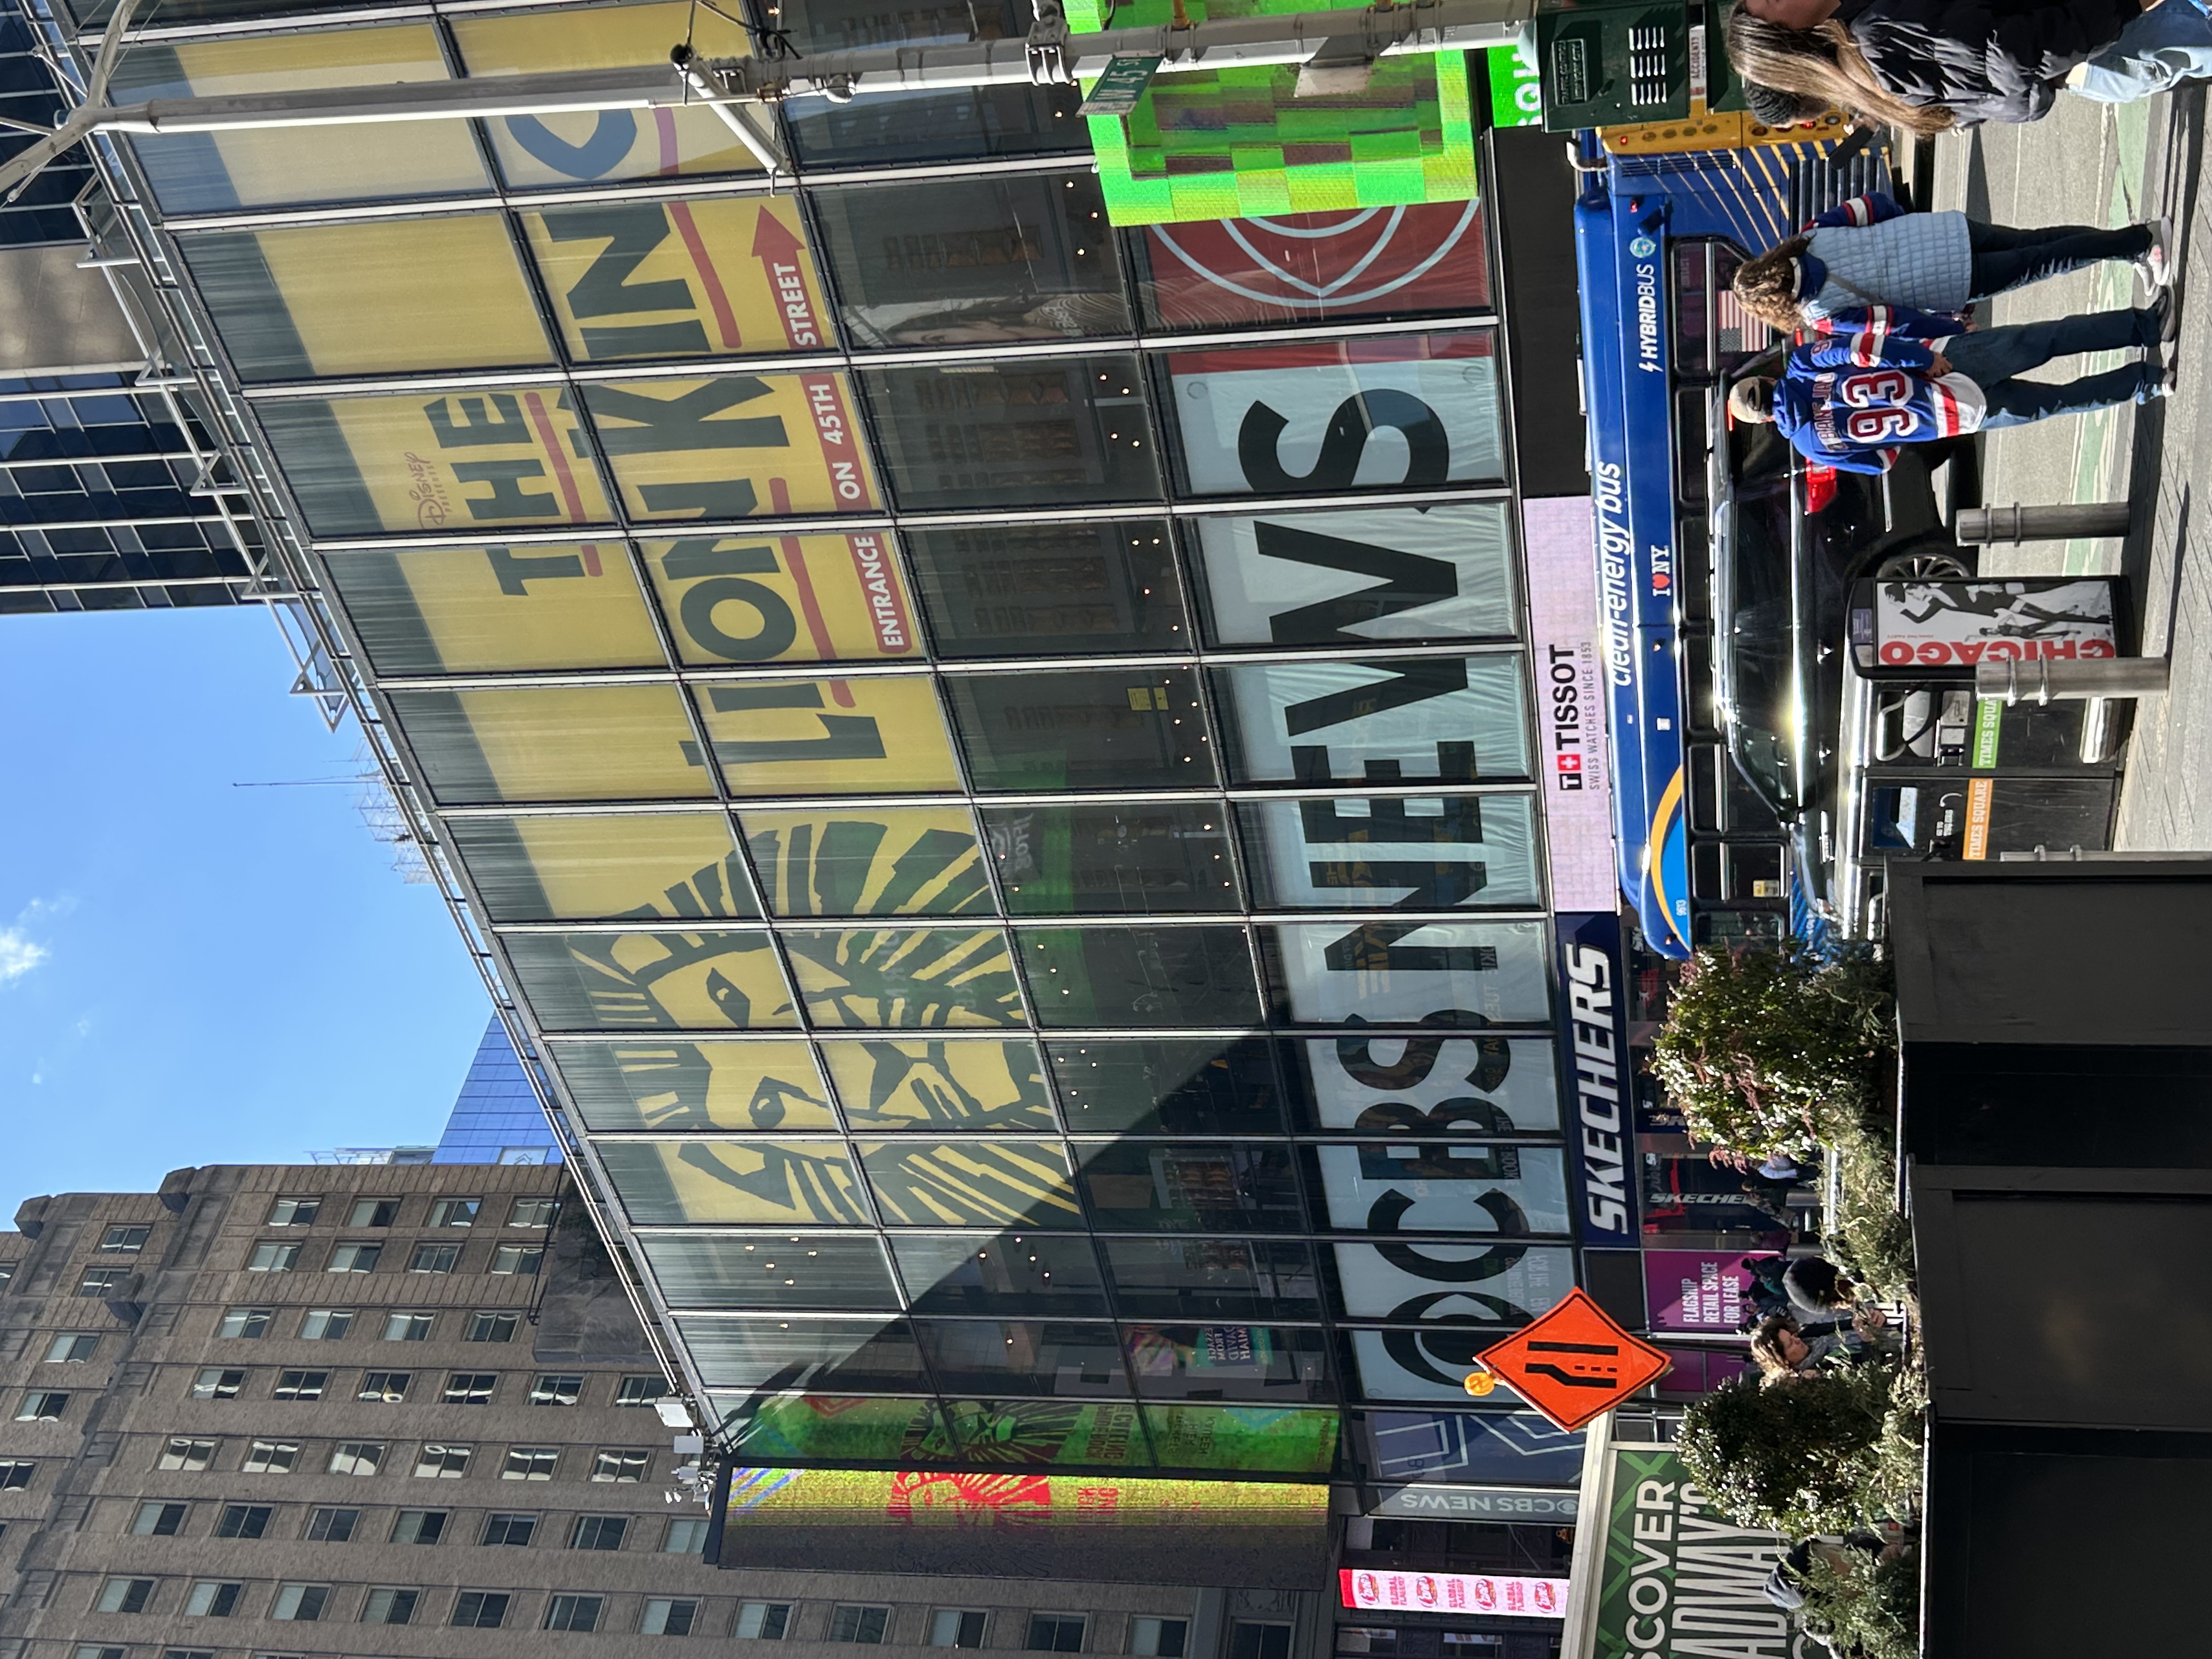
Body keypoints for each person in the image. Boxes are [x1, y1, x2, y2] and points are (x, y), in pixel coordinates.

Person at [1726, 302, 2173, 475]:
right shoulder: (1802, 365)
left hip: (1953, 415)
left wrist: (1904, 426)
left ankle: (2149, 383)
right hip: (1945, 364)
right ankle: (2146, 326)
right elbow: (1864, 348)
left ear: (1766, 421)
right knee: (2046, 339)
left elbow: (1882, 462)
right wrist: (1923, 359)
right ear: (1767, 379)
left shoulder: (1812, 446)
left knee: (2060, 401)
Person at [1730, 191, 2168, 332]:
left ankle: (2140, 242)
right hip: (1944, 230)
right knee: (2039, 242)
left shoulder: (1821, 314)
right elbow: (1872, 205)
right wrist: (1906, 230)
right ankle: (2130, 243)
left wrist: (1948, 325)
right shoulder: (1808, 237)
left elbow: (1893, 320)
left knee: (2046, 261)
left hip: (1951, 281)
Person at [1725, 0, 2179, 129]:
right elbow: (2015, 54)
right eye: (1773, 3)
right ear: (1796, 41)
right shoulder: (1878, 43)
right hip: (2105, 28)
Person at [1749, 1309, 1889, 1380]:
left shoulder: (1809, 1333)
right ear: (1784, 1361)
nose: (1798, 1340)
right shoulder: (1815, 1375)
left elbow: (1851, 1323)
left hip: (1893, 1333)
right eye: (1791, 1344)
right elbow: (1872, 1374)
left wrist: (1870, 1319)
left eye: (1792, 1336)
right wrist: (1869, 1341)